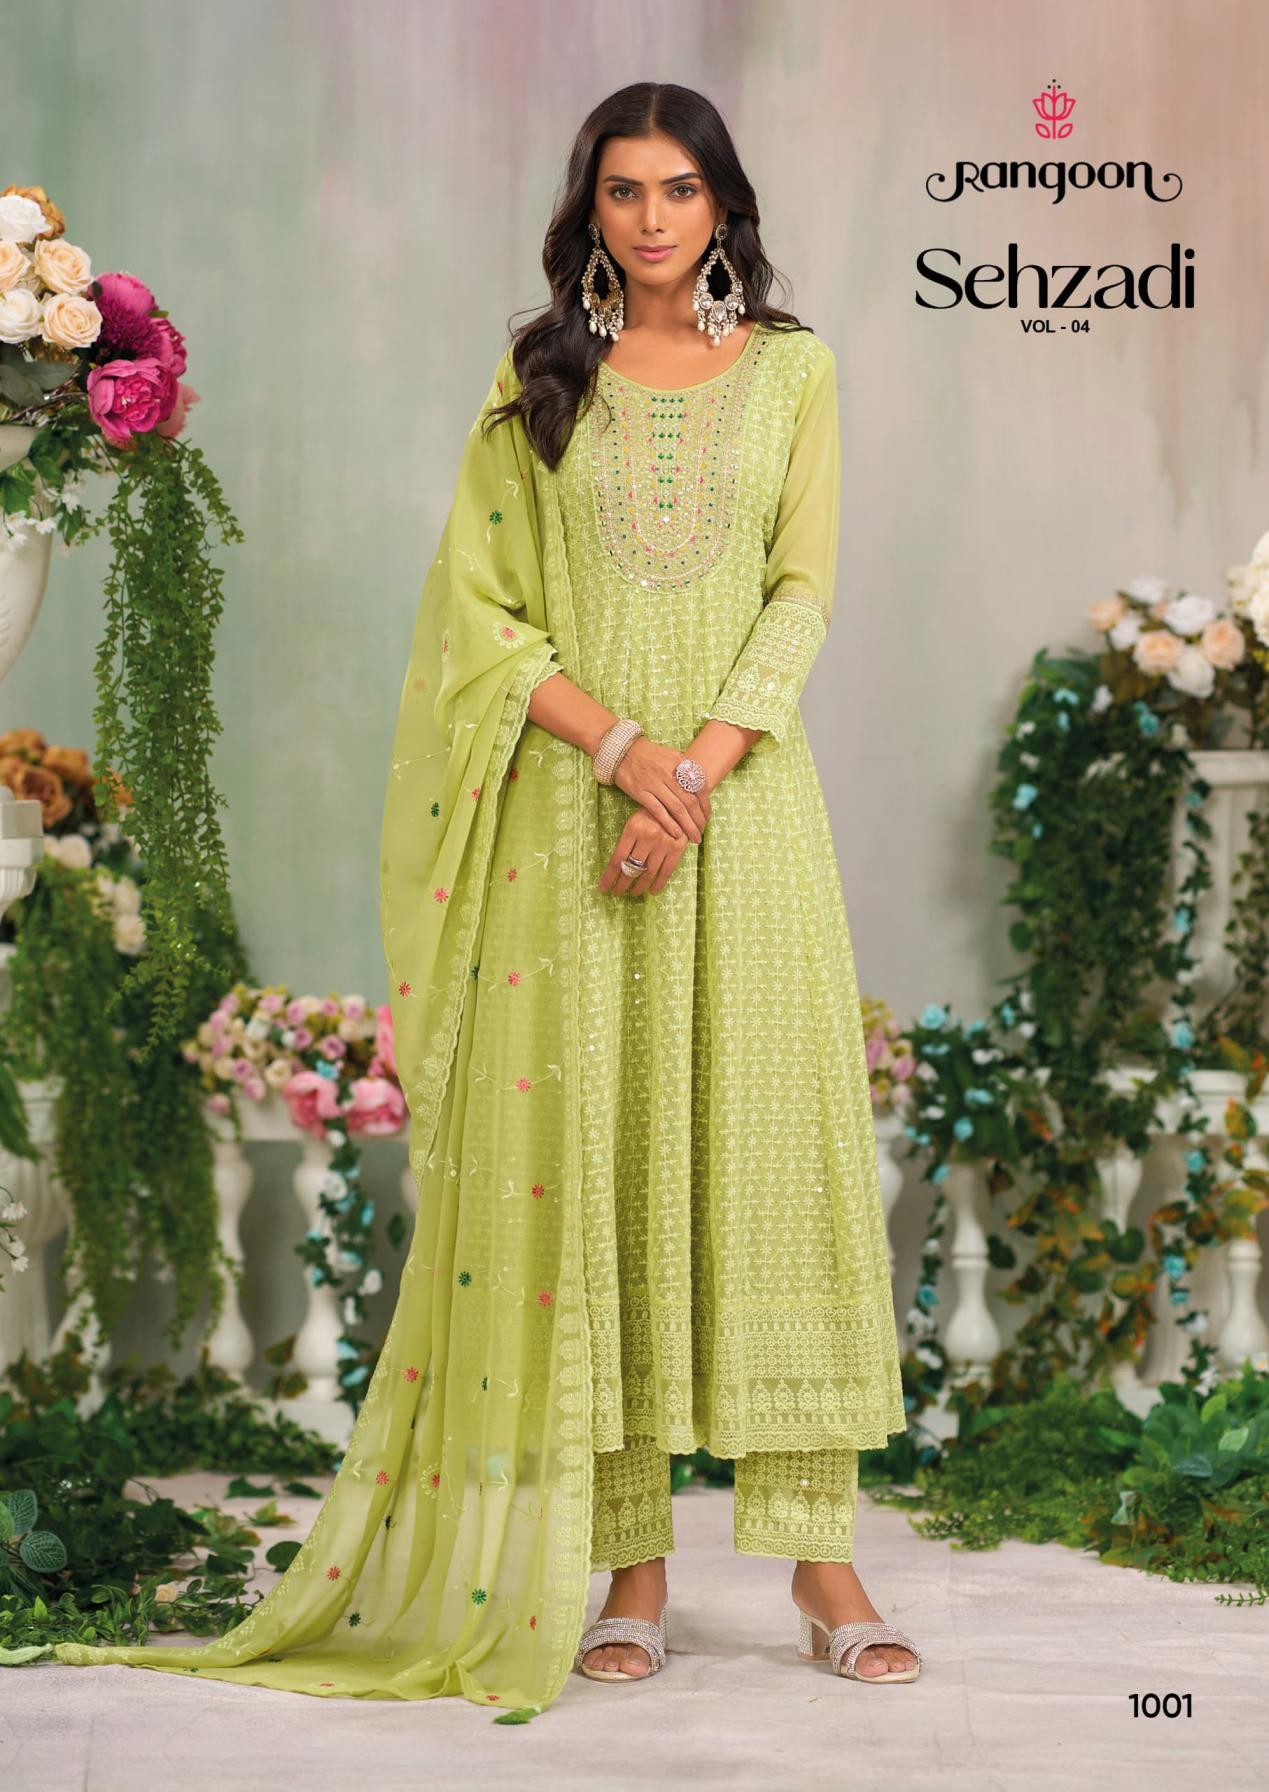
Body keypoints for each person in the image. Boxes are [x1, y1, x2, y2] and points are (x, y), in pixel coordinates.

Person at [52, 80, 918, 1716]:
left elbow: (802, 590)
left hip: (744, 818)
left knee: (770, 1168)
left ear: (722, 208)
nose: (651, 219)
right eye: (622, 191)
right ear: (586, 213)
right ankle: (632, 1571)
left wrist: (694, 772)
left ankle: (821, 1563)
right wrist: (624, 757)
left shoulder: (794, 372)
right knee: (603, 1176)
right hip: (577, 825)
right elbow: (483, 617)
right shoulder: (541, 380)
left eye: (678, 190)